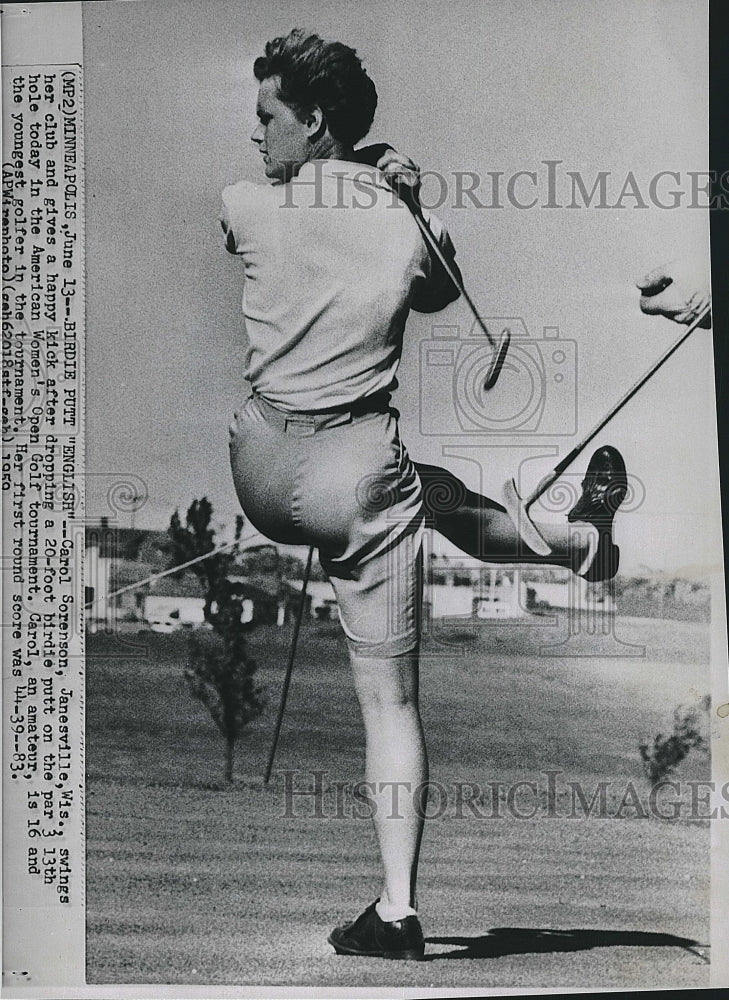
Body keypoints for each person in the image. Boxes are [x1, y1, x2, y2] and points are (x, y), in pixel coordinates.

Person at [222, 28, 627, 960]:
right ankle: (397, 912)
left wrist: (351, 169)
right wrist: (393, 184)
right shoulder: (412, 226)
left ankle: (576, 545)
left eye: (269, 117)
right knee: (391, 704)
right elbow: (440, 296)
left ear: (311, 119)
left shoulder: (244, 204)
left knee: (434, 491)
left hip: (260, 474)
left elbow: (290, 205)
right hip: (357, 481)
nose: (259, 136)